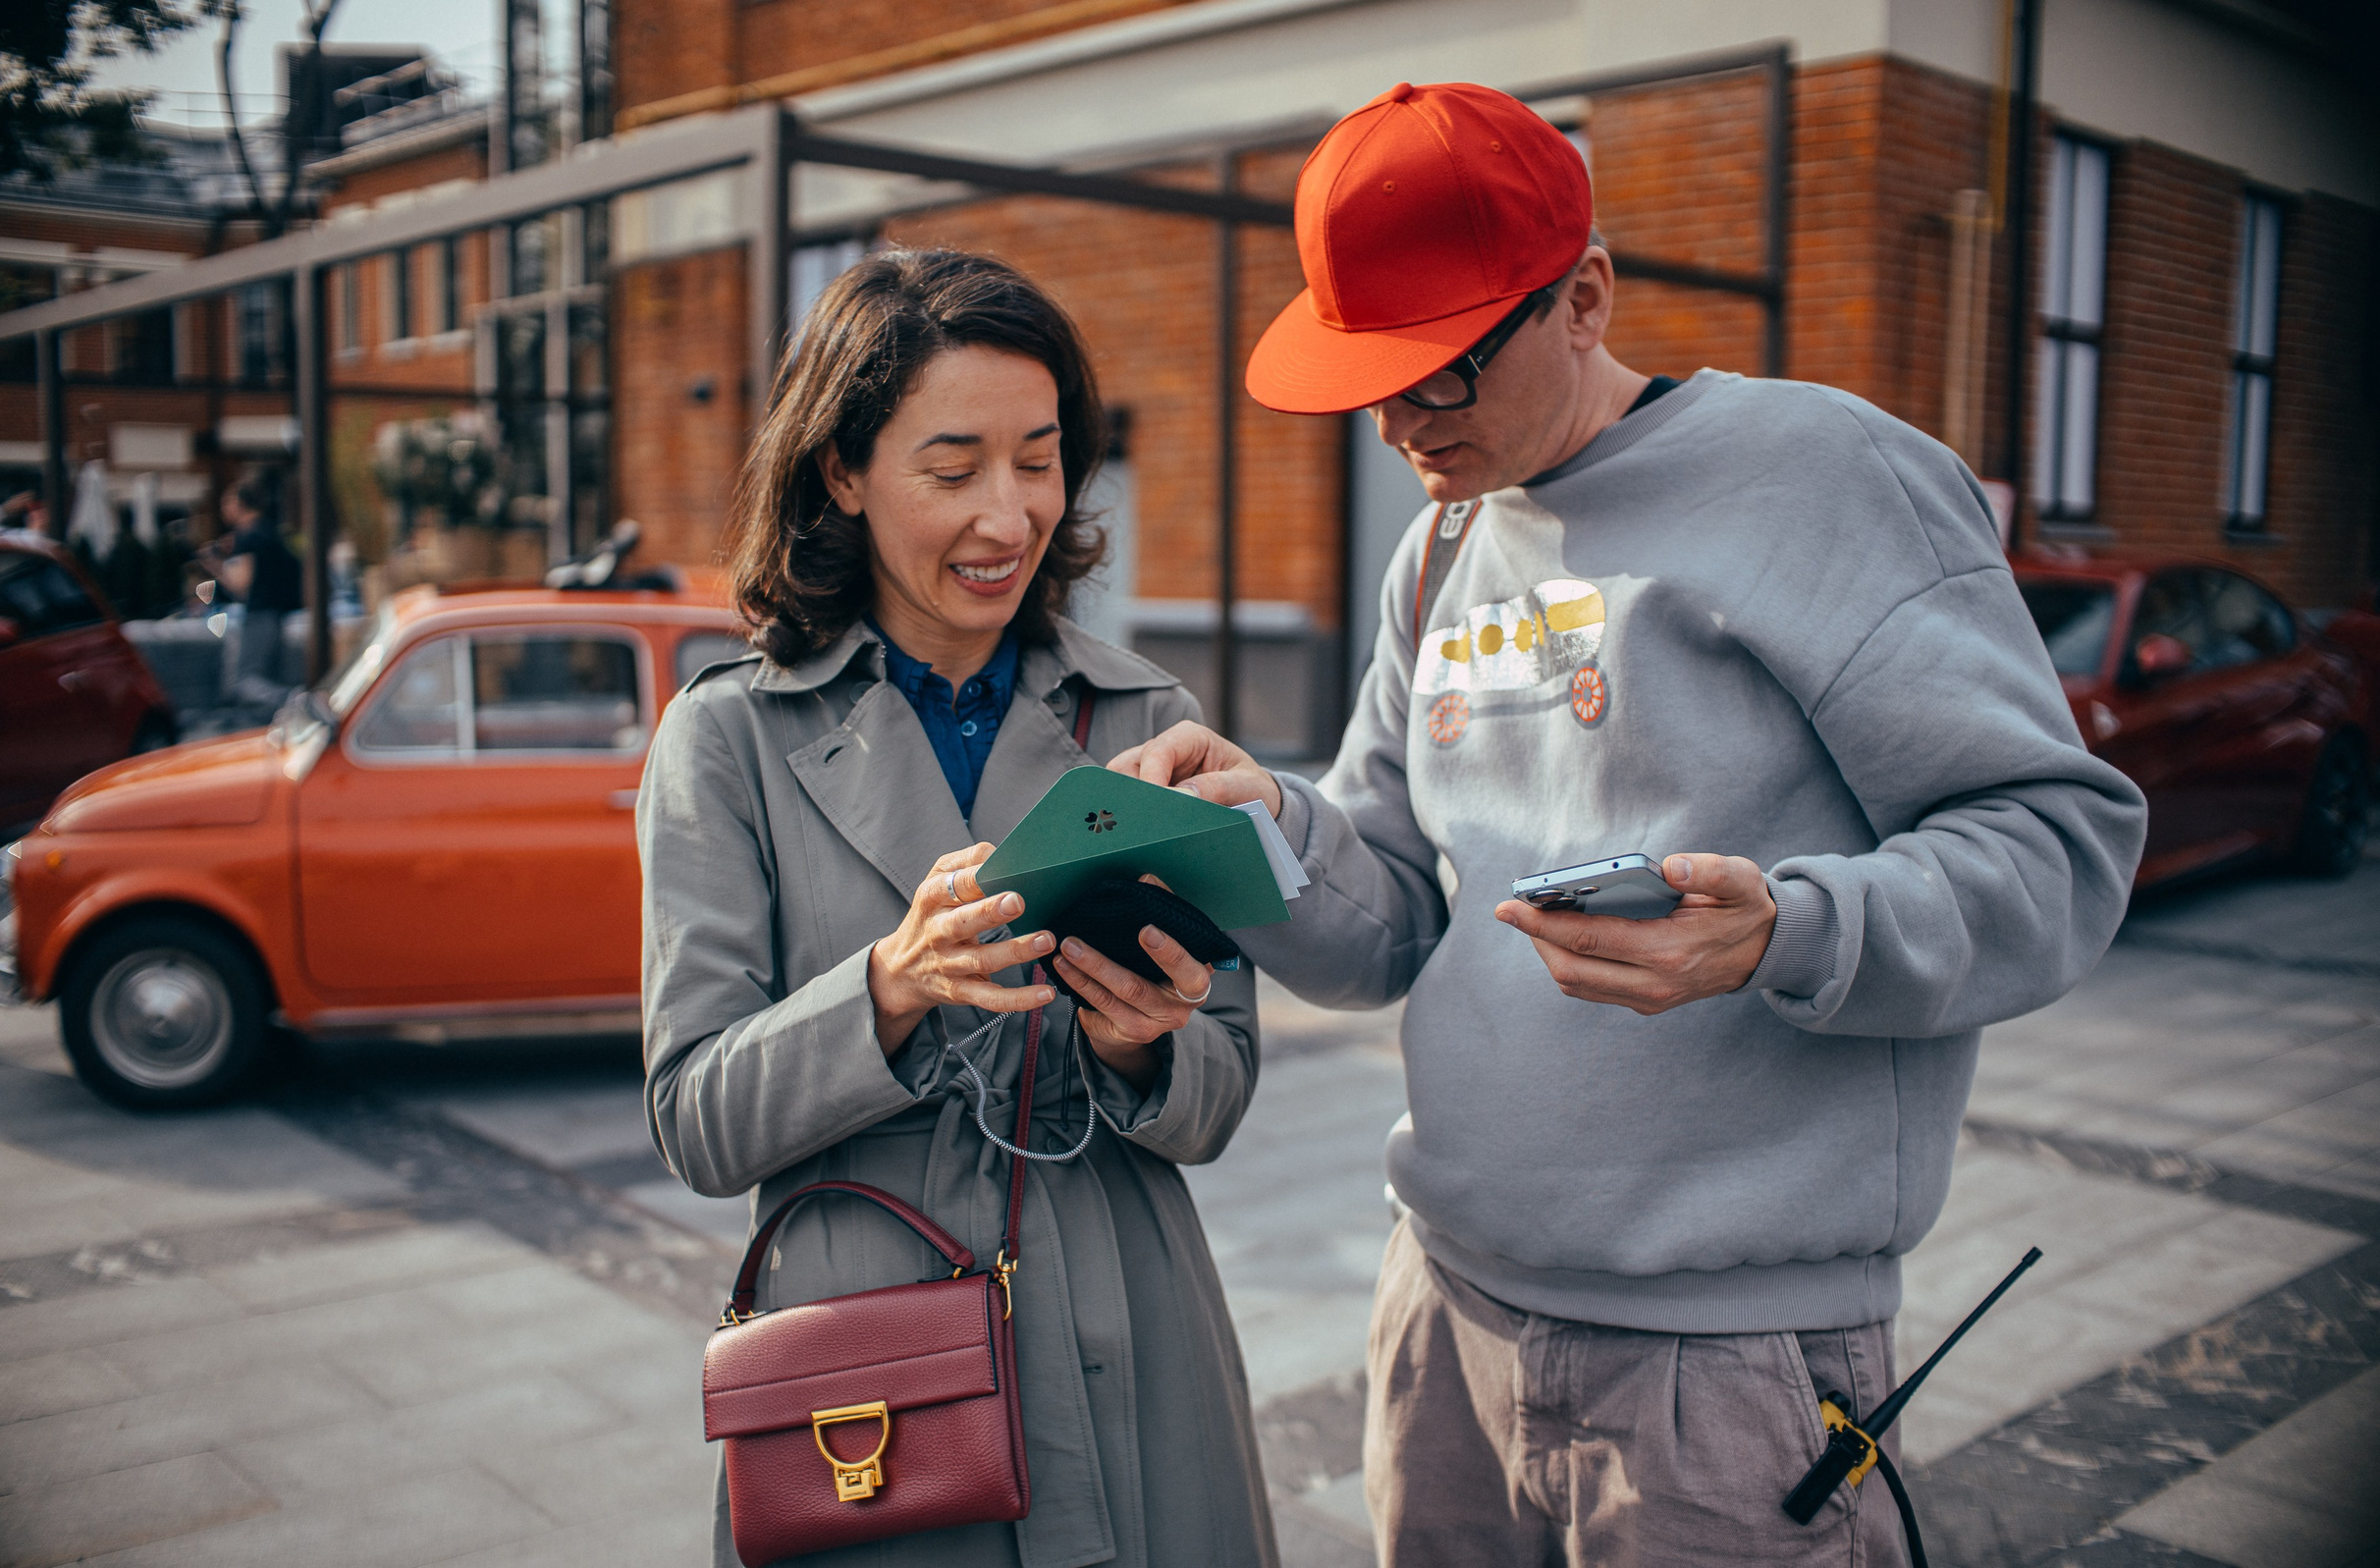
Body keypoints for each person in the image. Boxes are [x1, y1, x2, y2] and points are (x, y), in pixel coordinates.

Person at [1115, 83, 2147, 1565]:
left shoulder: (1830, 480)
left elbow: (2062, 843)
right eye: (1370, 382)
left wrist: (1791, 930)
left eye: (1443, 372)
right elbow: (1392, 914)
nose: (1403, 422)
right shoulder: (1441, 545)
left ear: (1584, 295)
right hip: (1444, 1322)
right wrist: (1263, 825)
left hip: (1727, 1369)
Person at [637, 249, 1277, 1568]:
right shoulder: (727, 741)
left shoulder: (1148, 719)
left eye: (1038, 461)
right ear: (843, 473)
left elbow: (1221, 1096)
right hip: (871, 1366)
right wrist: (890, 984)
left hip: (1132, 1329)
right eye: (953, 469)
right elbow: (697, 1119)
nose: (1007, 515)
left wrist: (1142, 1042)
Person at [204, 478, 302, 708]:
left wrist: (214, 565)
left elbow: (241, 584)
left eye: (227, 502)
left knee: (245, 681)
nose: (224, 508)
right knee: (261, 677)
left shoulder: (249, 536)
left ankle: (297, 702)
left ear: (241, 503)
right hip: (277, 614)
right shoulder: (269, 531)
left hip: (260, 615)